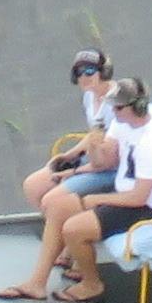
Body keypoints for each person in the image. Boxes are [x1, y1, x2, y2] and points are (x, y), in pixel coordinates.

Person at [2, 77, 152, 302]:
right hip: (125, 194)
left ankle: (91, 284)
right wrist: (95, 146)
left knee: (74, 229)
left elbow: (140, 197)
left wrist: (95, 199)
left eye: (117, 107)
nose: (113, 111)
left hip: (145, 207)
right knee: (57, 205)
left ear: (135, 107)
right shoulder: (123, 123)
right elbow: (104, 164)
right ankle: (37, 283)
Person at [23, 47, 123, 216]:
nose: (84, 77)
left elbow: (109, 161)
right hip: (94, 156)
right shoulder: (89, 96)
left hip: (112, 168)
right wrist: (69, 155)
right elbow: (94, 135)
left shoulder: (117, 104)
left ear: (104, 72)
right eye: (79, 72)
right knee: (32, 185)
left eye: (90, 71)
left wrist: (73, 172)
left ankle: (69, 229)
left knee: (51, 201)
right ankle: (57, 230)